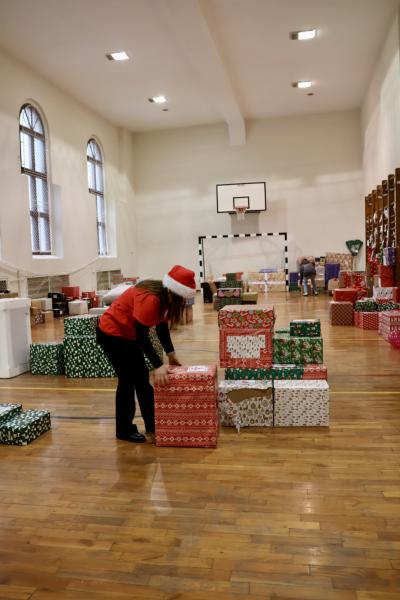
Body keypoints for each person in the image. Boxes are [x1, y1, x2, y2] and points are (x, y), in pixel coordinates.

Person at [96, 265, 196, 443]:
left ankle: (152, 424)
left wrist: (171, 354)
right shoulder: (151, 299)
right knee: (127, 381)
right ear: (174, 293)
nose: (183, 304)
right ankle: (124, 430)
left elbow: (162, 327)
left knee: (142, 380)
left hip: (128, 334)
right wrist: (158, 365)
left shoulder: (165, 299)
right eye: (183, 300)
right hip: (112, 333)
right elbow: (142, 335)